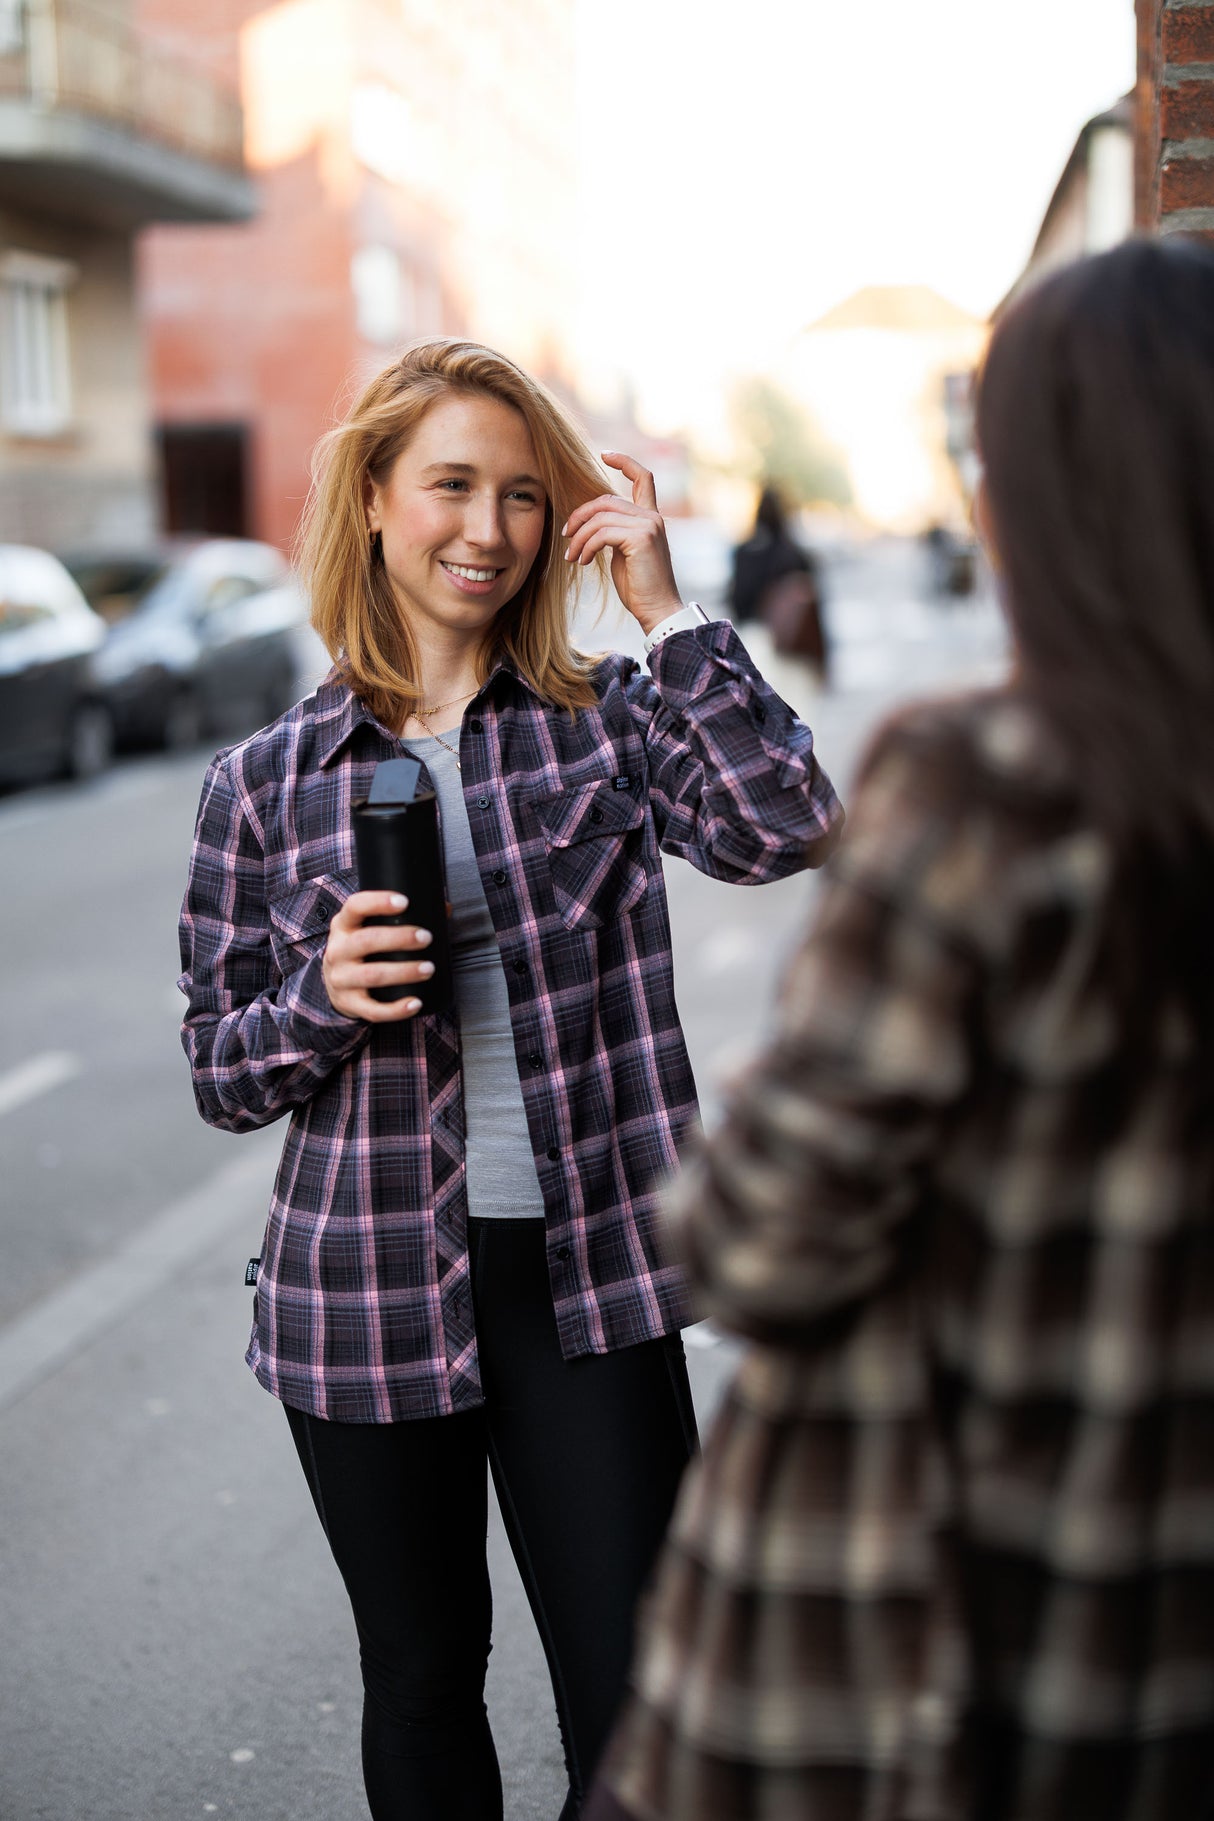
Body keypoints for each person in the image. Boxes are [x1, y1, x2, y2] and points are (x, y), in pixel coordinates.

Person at [588, 235, 1214, 1821]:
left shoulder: (994, 782)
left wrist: (757, 1087)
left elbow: (757, 1246)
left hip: (920, 1624)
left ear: (1032, 492)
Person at [177, 338, 843, 1821]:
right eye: (452, 487)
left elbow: (783, 823)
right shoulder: (265, 781)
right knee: (419, 1681)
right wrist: (319, 999)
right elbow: (220, 1066)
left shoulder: (604, 721)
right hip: (359, 1291)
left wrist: (670, 617)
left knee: (638, 1697)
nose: (487, 529)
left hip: (587, 1279)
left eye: (525, 497)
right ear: (370, 500)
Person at [727, 483, 828, 681]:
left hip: (756, 643)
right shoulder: (797, 556)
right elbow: (814, 613)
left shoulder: (744, 553)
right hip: (794, 648)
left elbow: (737, 599)